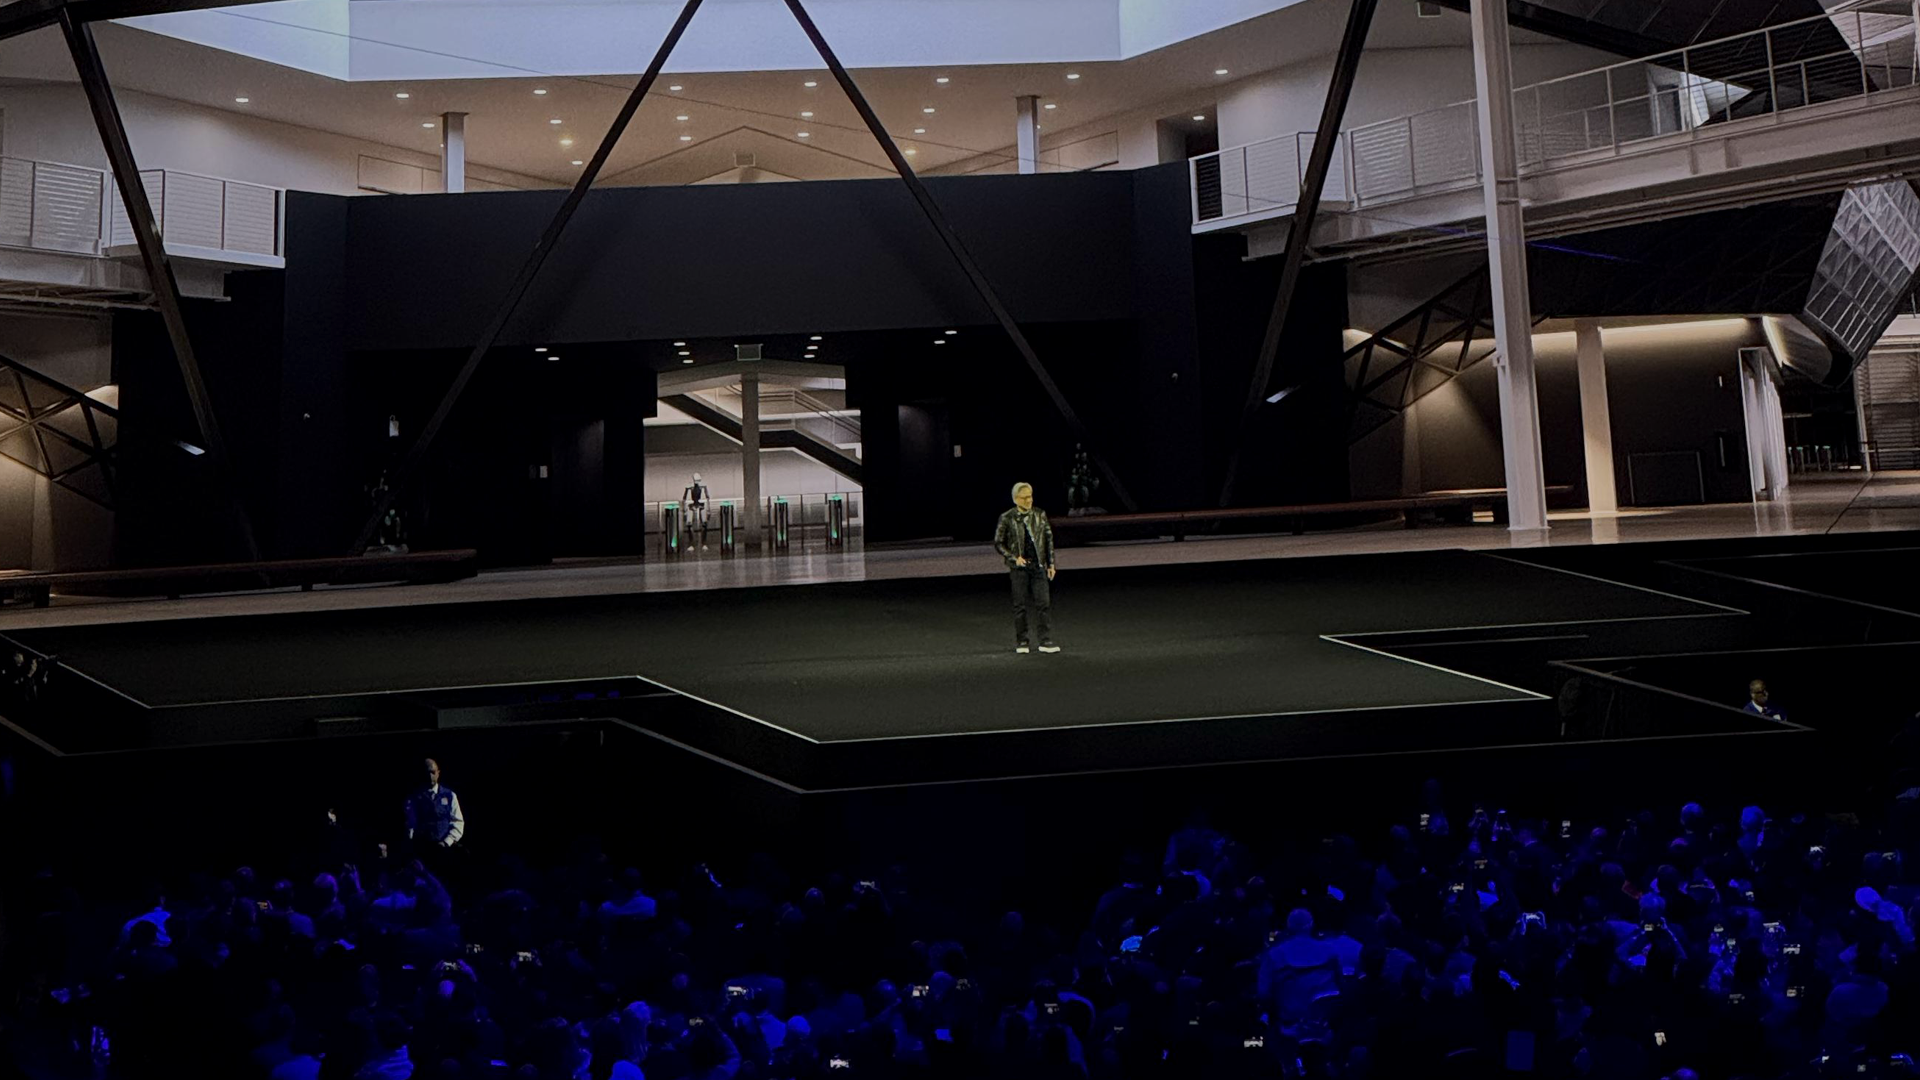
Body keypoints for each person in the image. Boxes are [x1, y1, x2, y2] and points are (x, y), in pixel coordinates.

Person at [994, 482, 1059, 654]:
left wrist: (1051, 564)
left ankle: (1046, 640)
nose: (1029, 500)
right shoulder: (1007, 518)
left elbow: (1048, 540)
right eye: (1024, 497)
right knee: (1020, 605)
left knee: (1043, 603)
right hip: (1019, 568)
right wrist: (1014, 558)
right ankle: (1022, 640)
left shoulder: (1040, 515)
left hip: (1038, 566)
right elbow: (999, 543)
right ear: (1016, 499)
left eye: (1030, 496)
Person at [406, 758, 465, 852]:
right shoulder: (415, 798)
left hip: (445, 849)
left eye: (433, 772)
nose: (430, 776)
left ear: (438, 773)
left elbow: (458, 822)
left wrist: (446, 842)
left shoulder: (450, 796)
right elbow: (411, 823)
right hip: (423, 849)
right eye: (427, 773)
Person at [684, 472, 711, 551]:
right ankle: (691, 543)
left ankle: (704, 543)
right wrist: (685, 510)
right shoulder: (689, 487)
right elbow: (685, 498)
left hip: (701, 504)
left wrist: (708, 509)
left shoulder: (703, 486)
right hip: (691, 505)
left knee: (704, 524)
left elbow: (707, 497)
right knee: (689, 524)